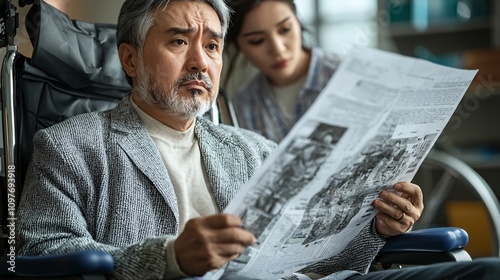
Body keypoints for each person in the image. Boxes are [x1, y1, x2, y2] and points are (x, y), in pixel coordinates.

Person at [15, 0, 499, 280]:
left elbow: (321, 259)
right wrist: (169, 259)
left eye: (212, 46)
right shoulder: (70, 147)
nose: (201, 63)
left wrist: (378, 227)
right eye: (179, 42)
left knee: (485, 271)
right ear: (131, 59)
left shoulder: (252, 148)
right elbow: (48, 255)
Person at [225, 0, 341, 143]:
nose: (278, 49)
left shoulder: (347, 75)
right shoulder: (245, 102)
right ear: (239, 46)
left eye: (285, 29)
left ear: (298, 22)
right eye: (258, 40)